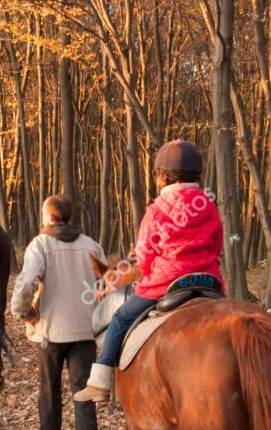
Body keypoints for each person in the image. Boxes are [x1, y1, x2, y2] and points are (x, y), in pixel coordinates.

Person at [74, 140, 224, 403]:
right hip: (208, 281)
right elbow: (216, 243)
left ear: (162, 176)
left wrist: (149, 271)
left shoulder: (156, 210)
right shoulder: (208, 205)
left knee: (120, 319)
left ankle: (100, 382)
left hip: (166, 283)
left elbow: (144, 256)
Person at [11, 195, 108, 430]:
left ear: (50, 217)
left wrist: (22, 311)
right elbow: (106, 284)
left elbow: (27, 282)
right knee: (84, 394)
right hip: (85, 331)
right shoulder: (92, 245)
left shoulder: (41, 244)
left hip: (51, 331)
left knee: (49, 389)